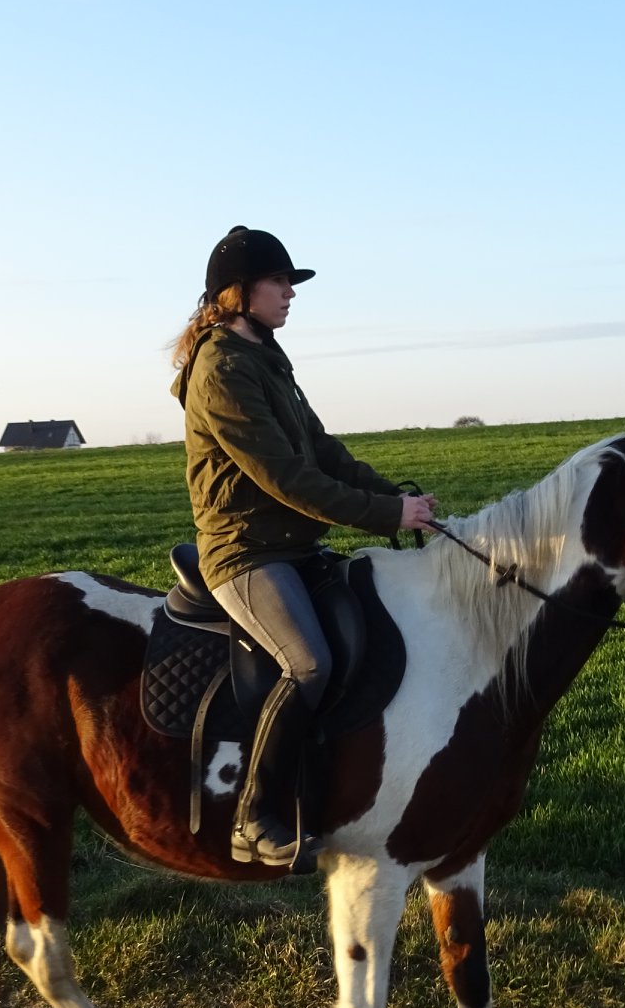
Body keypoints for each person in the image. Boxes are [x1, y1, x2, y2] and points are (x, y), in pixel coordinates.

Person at [171, 225, 438, 867]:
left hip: (292, 545)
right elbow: (286, 478)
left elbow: (320, 450)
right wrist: (384, 514)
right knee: (308, 663)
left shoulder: (266, 355)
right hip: (245, 551)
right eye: (279, 281)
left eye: (290, 283)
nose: (290, 293)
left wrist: (397, 498)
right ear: (238, 292)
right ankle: (254, 817)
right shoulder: (220, 369)